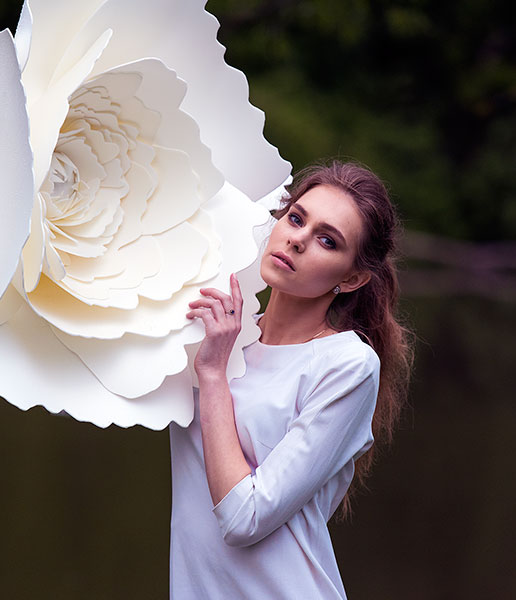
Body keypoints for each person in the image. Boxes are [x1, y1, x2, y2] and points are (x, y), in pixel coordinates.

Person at [171, 160, 413, 599]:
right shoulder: (224, 334)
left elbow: (243, 518)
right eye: (296, 218)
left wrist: (212, 375)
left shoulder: (348, 366)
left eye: (327, 240)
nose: (298, 239)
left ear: (353, 277)